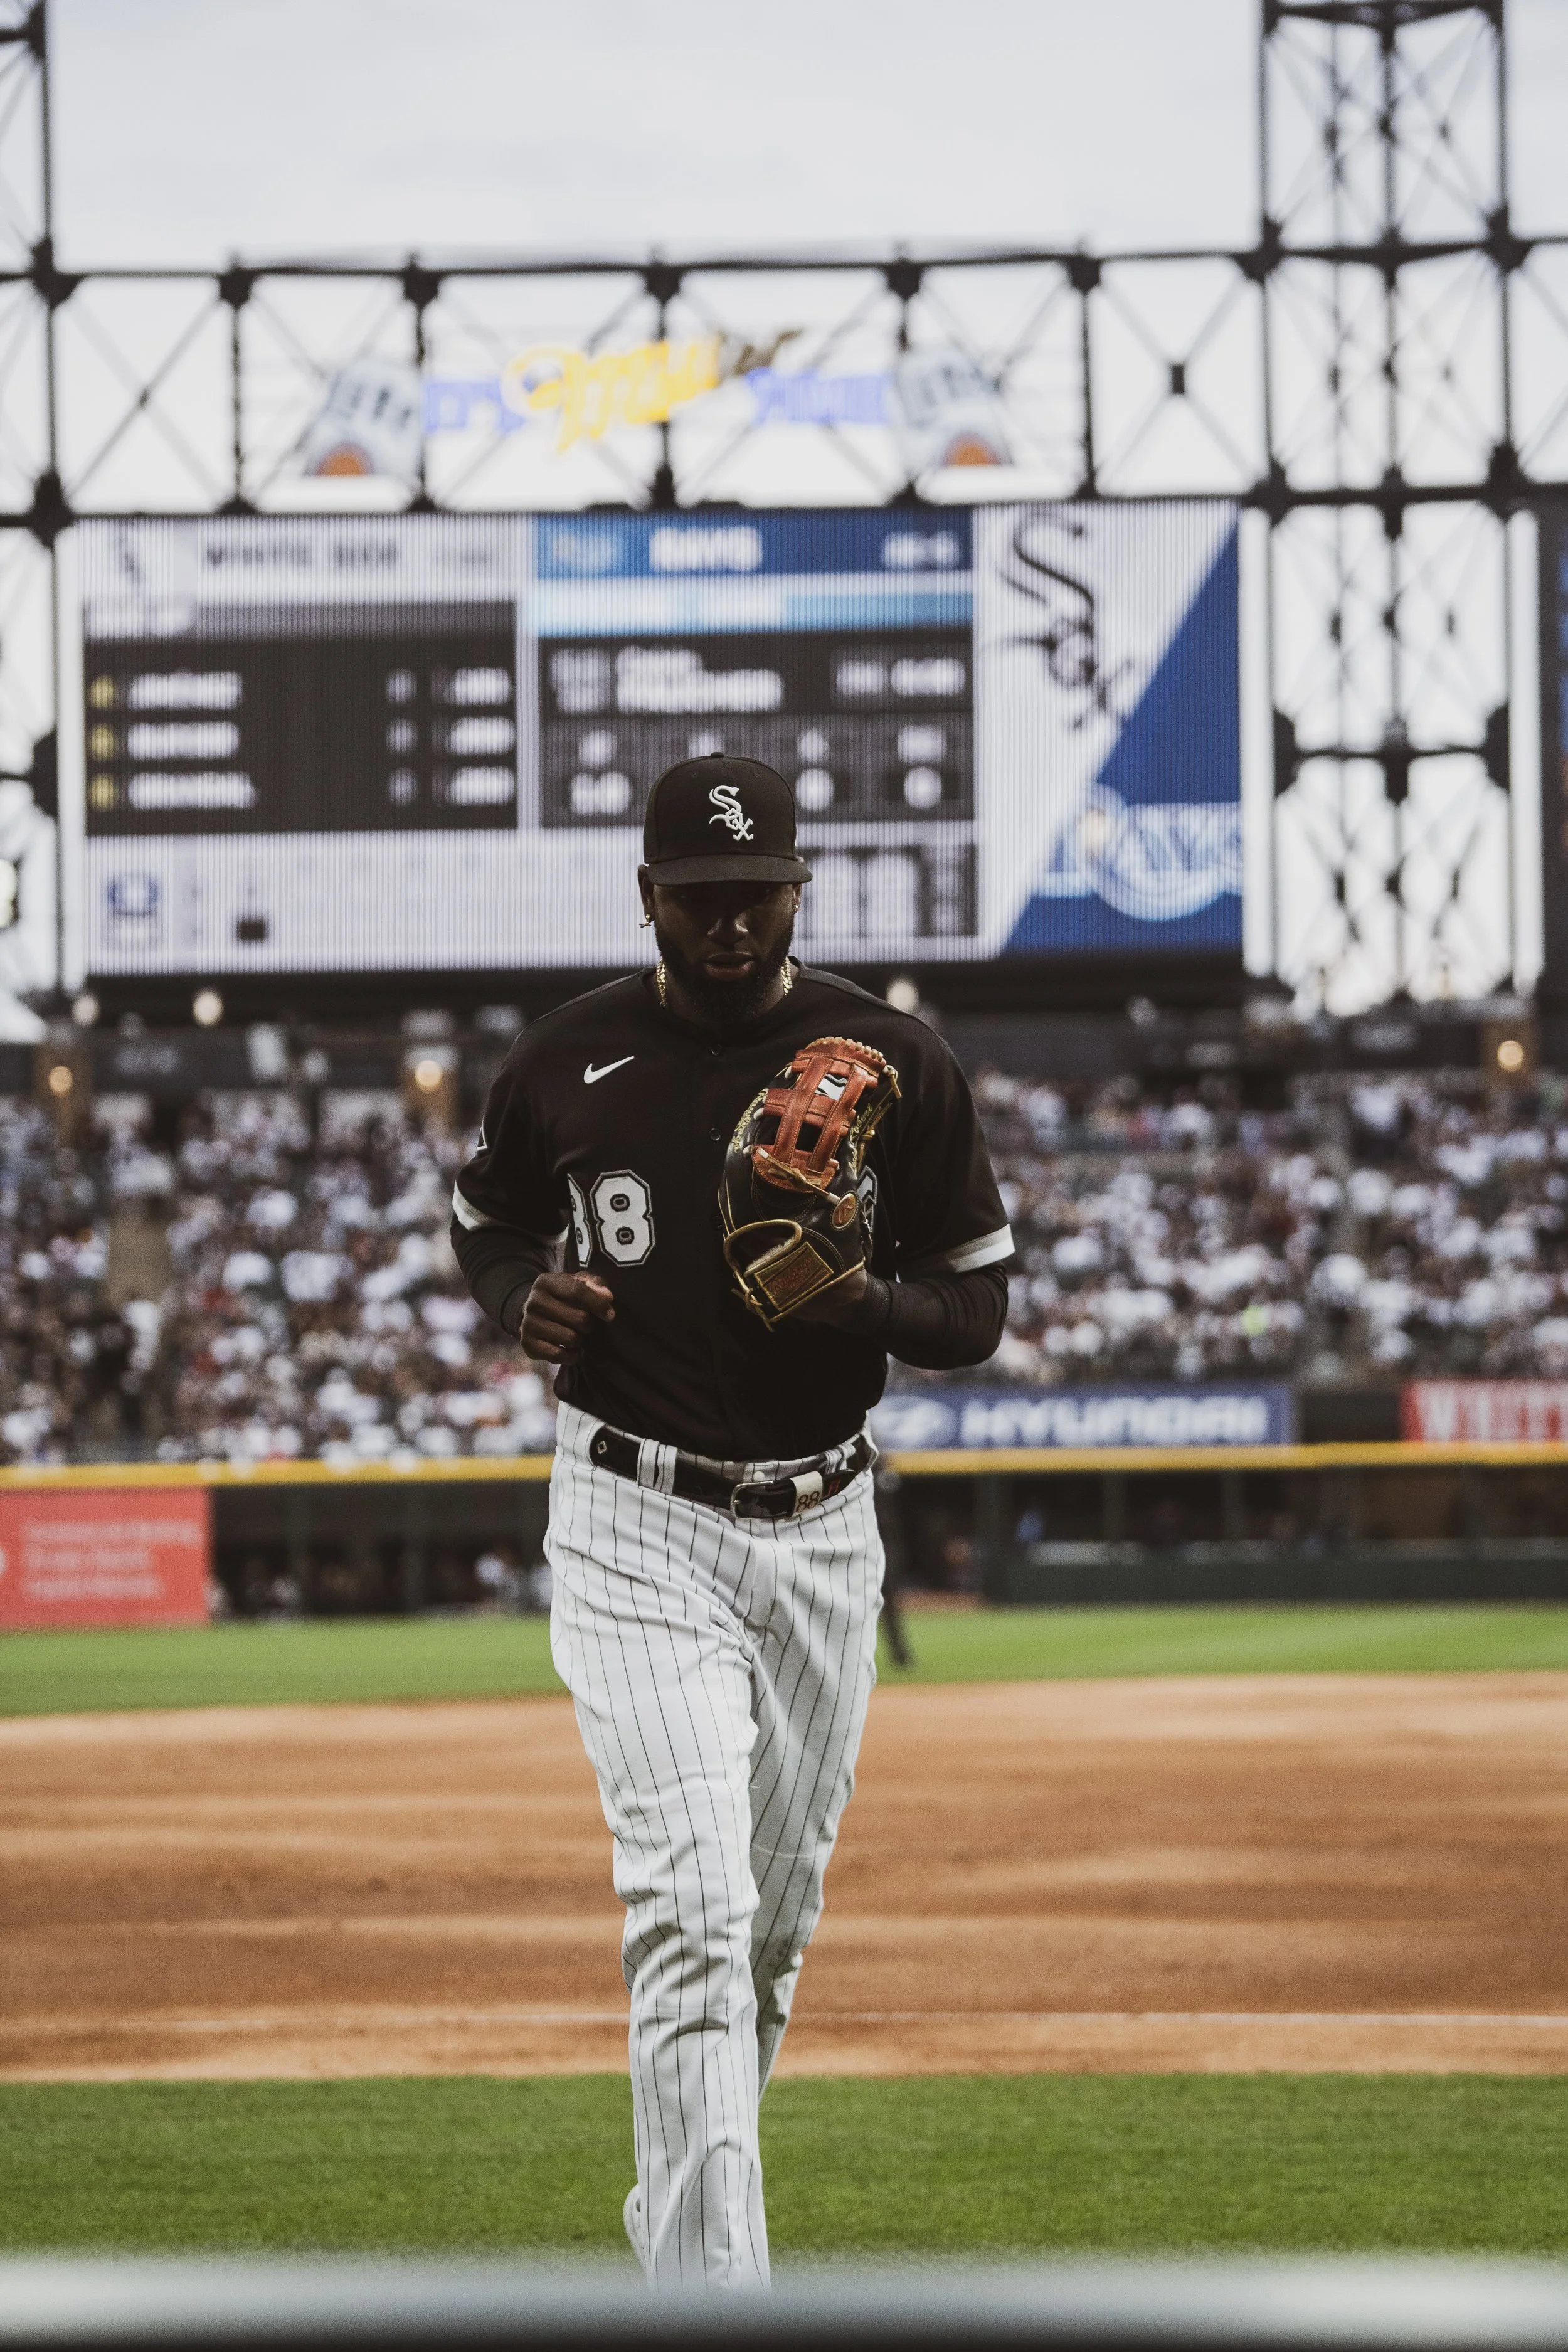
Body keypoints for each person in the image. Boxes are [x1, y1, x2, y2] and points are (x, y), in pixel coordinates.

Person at [450, 753, 1010, 2289]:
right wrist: (522, 1298)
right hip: (631, 1513)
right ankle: (711, 2300)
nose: (728, 922)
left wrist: (865, 1301)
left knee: (764, 1933)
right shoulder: (567, 1059)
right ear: (647, 897)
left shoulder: (892, 1061)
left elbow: (975, 1301)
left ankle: (674, 2222)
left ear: (796, 887)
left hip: (824, 1528)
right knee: (692, 1906)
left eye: (755, 891)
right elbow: (485, 1213)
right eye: (698, 898)